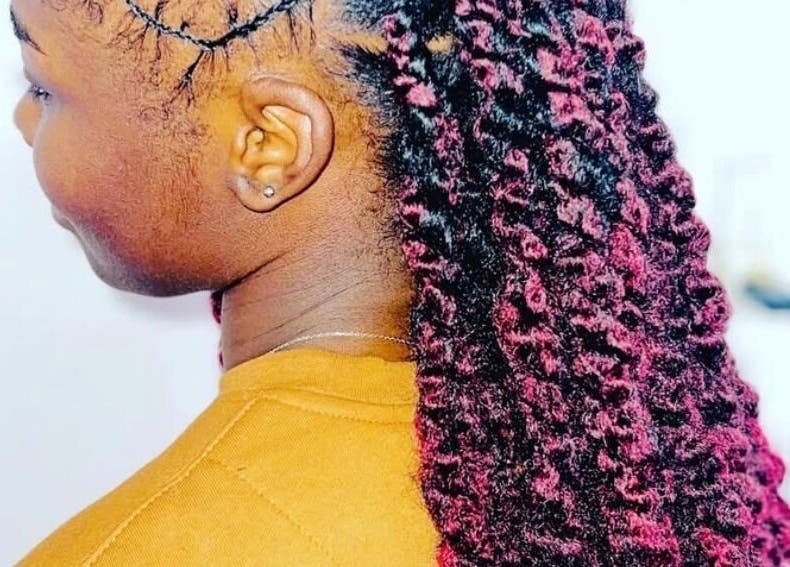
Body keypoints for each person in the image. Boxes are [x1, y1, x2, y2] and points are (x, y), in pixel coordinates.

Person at [8, 0, 790, 564]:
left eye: (43, 85)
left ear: (268, 144)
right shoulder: (639, 474)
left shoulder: (133, 549)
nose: (21, 119)